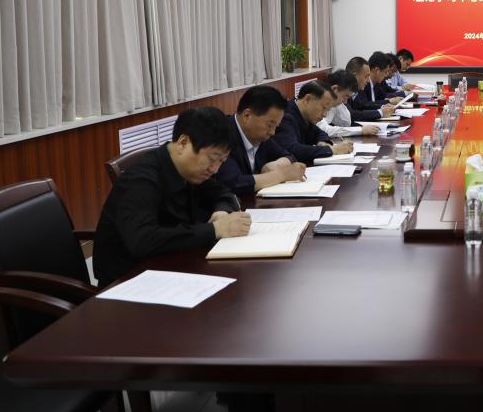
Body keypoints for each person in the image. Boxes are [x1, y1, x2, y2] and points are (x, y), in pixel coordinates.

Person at [93, 106, 252, 286]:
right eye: (212, 159)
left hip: (173, 267)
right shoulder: (141, 180)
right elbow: (142, 241)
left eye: (221, 161)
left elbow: (224, 193)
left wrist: (221, 212)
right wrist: (214, 230)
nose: (215, 169)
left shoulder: (190, 171)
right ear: (183, 143)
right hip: (129, 283)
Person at [214, 85, 306, 199]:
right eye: (270, 125)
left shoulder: (260, 137)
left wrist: (275, 165)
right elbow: (234, 183)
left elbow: (289, 156)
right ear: (247, 116)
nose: (272, 132)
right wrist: (282, 175)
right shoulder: (222, 135)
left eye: (276, 126)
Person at [273, 81, 354, 164]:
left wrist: (323, 142)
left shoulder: (304, 114)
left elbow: (320, 133)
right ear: (307, 99)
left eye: (327, 110)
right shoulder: (285, 116)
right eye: (324, 108)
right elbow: (292, 150)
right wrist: (332, 150)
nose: (325, 115)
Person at [320, 69, 380, 137]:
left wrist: (339, 102)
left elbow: (346, 123)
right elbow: (324, 130)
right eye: (345, 96)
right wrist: (360, 130)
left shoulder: (334, 104)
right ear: (334, 89)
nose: (345, 101)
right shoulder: (319, 103)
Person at [346, 57, 396, 122]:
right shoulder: (342, 91)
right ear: (354, 76)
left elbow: (362, 106)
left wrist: (382, 107)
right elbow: (352, 115)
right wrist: (380, 112)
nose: (368, 81)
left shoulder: (355, 91)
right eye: (366, 77)